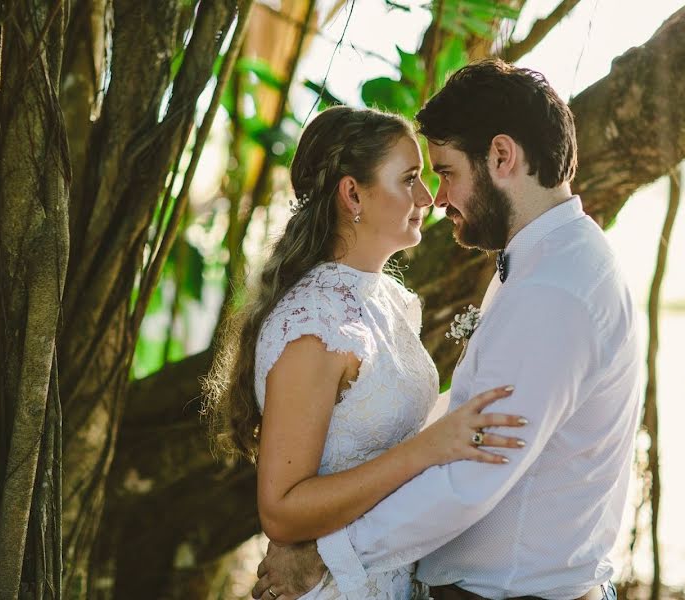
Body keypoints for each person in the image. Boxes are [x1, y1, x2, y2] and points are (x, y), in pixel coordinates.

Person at [250, 60, 641, 600]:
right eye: (418, 178)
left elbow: (472, 476)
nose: (437, 198)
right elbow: (464, 424)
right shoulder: (544, 264)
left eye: (447, 173)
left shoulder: (552, 289)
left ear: (501, 157)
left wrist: (329, 557)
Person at [202, 104, 529, 600]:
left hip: (387, 573)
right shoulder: (314, 324)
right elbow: (282, 510)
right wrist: (429, 448)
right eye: (409, 179)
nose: (428, 197)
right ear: (352, 193)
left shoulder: (387, 300)